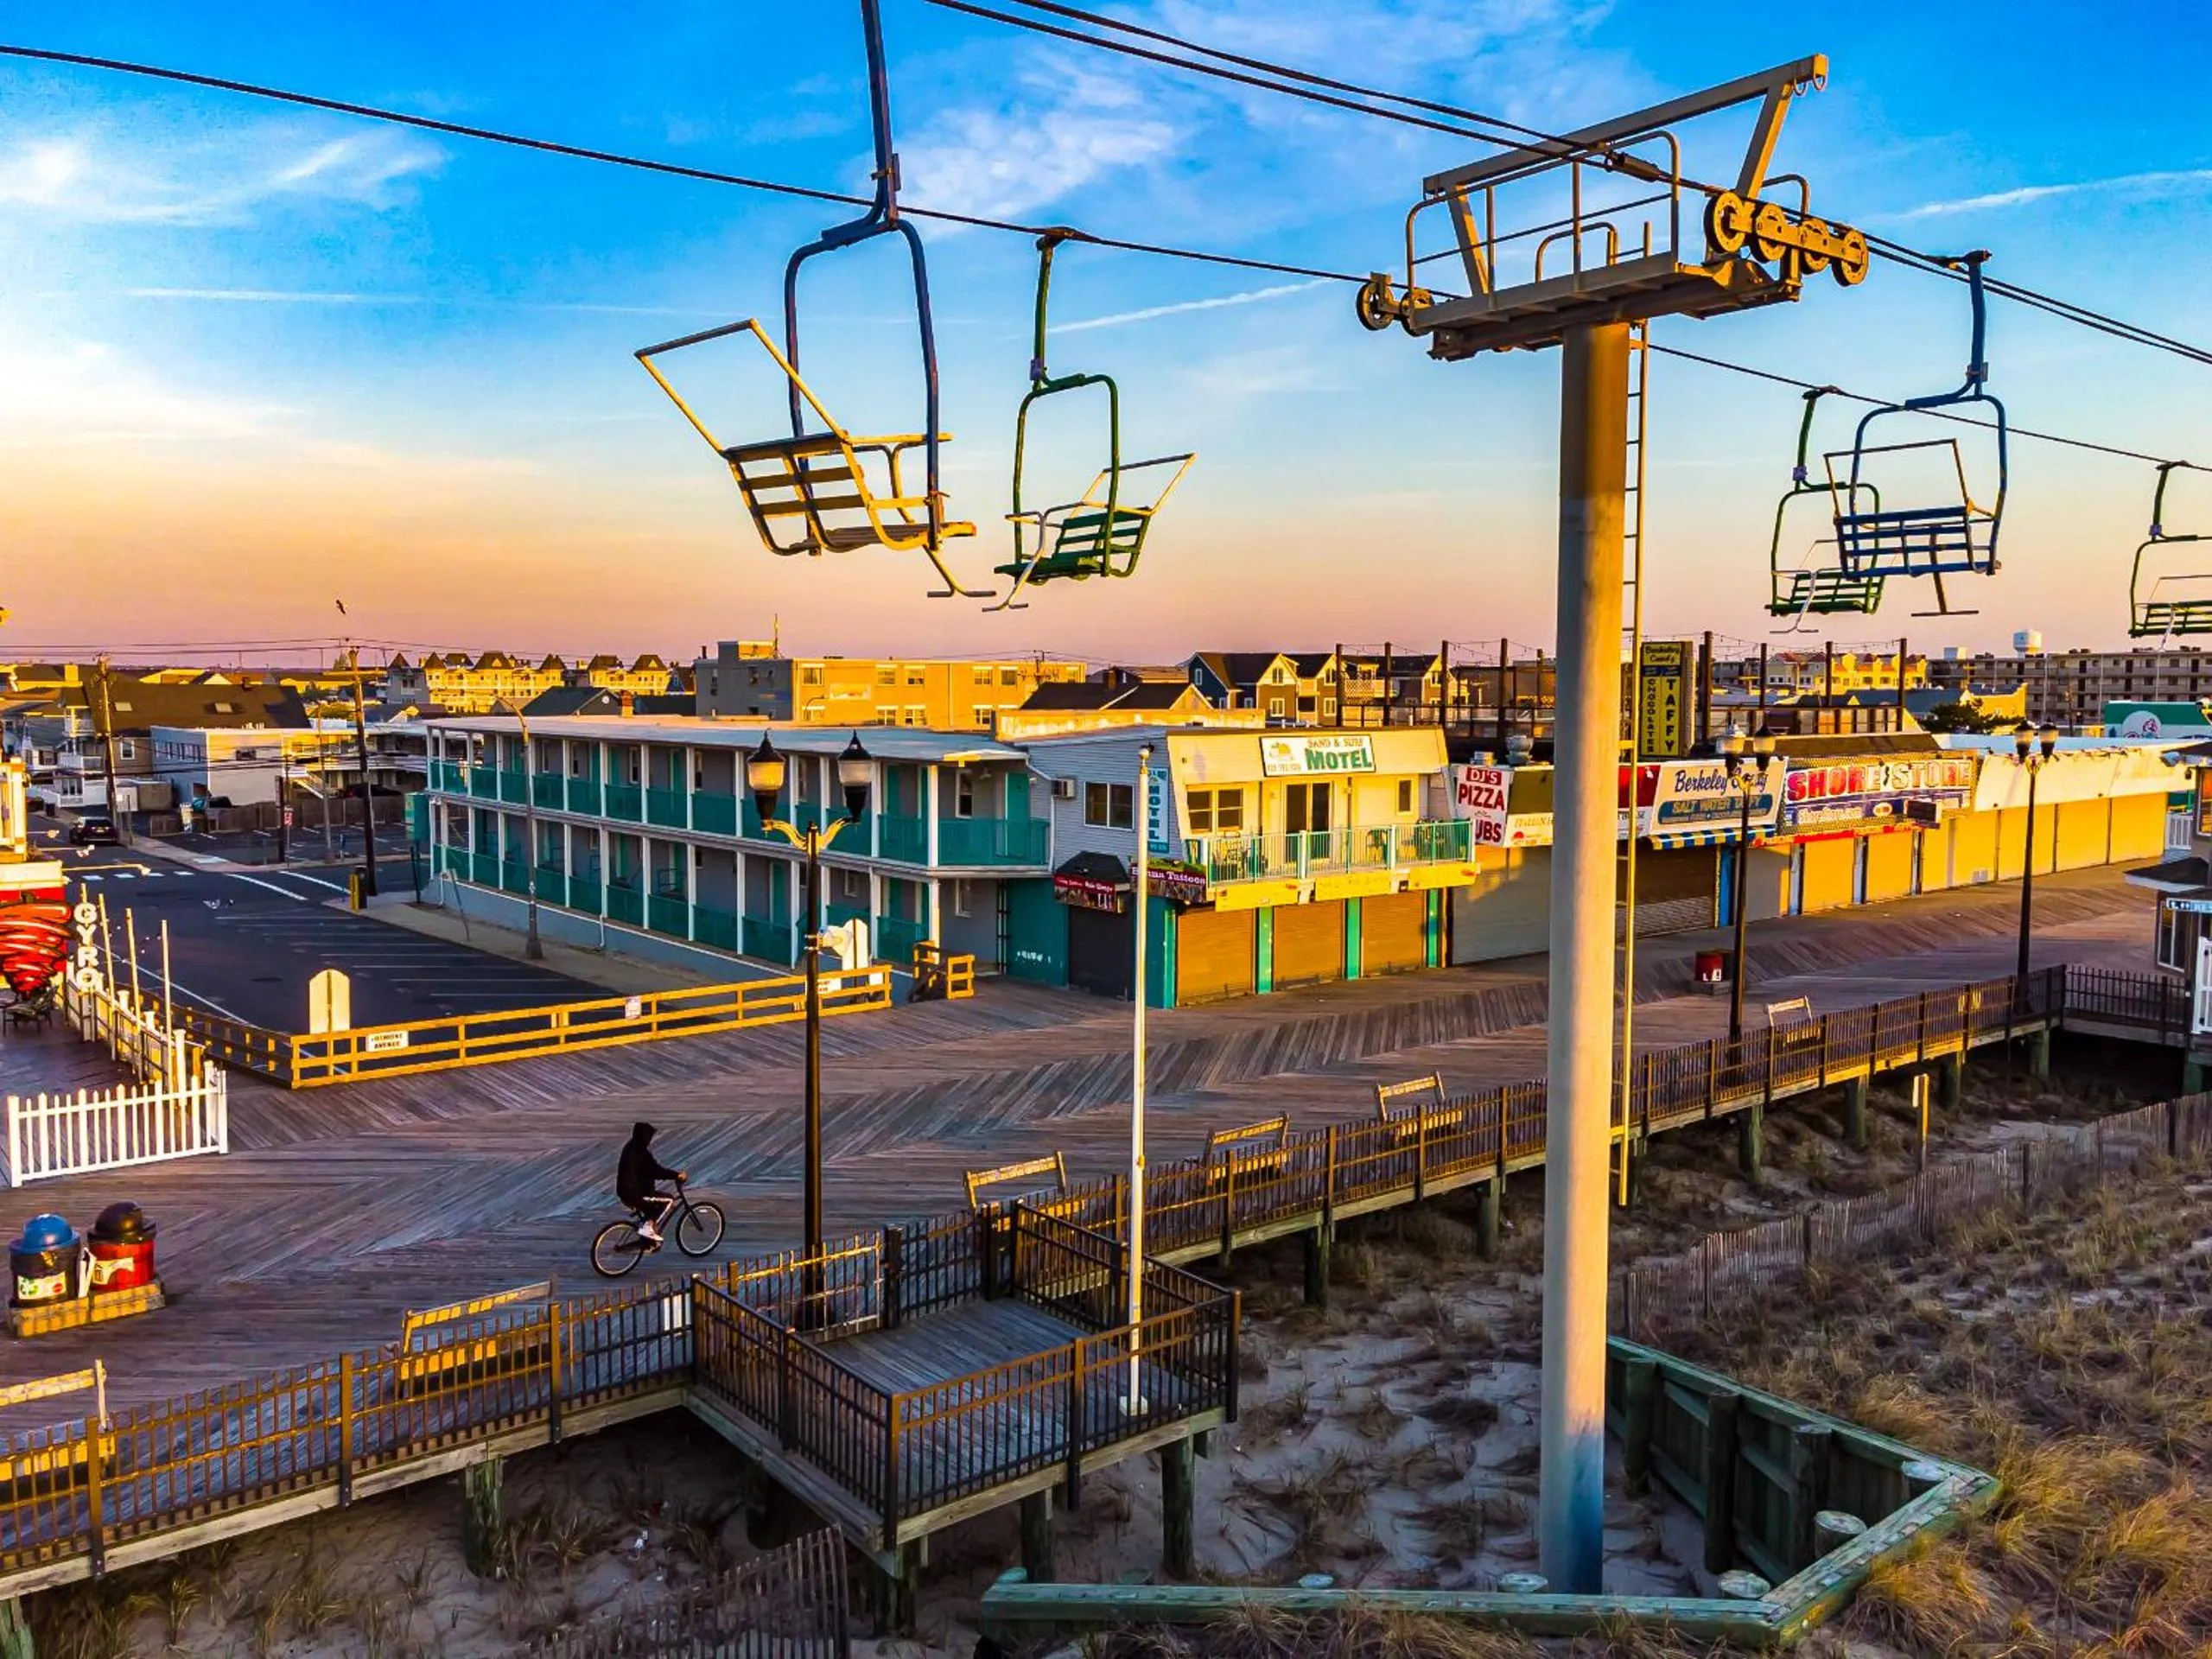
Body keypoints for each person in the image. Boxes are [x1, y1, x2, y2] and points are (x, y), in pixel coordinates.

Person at [616, 1121, 685, 1244]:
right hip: (637, 1193)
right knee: (669, 1200)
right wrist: (676, 1175)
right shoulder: (642, 1154)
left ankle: (647, 1241)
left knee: (652, 1209)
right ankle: (648, 1229)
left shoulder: (629, 1147)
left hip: (624, 1191)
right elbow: (656, 1171)